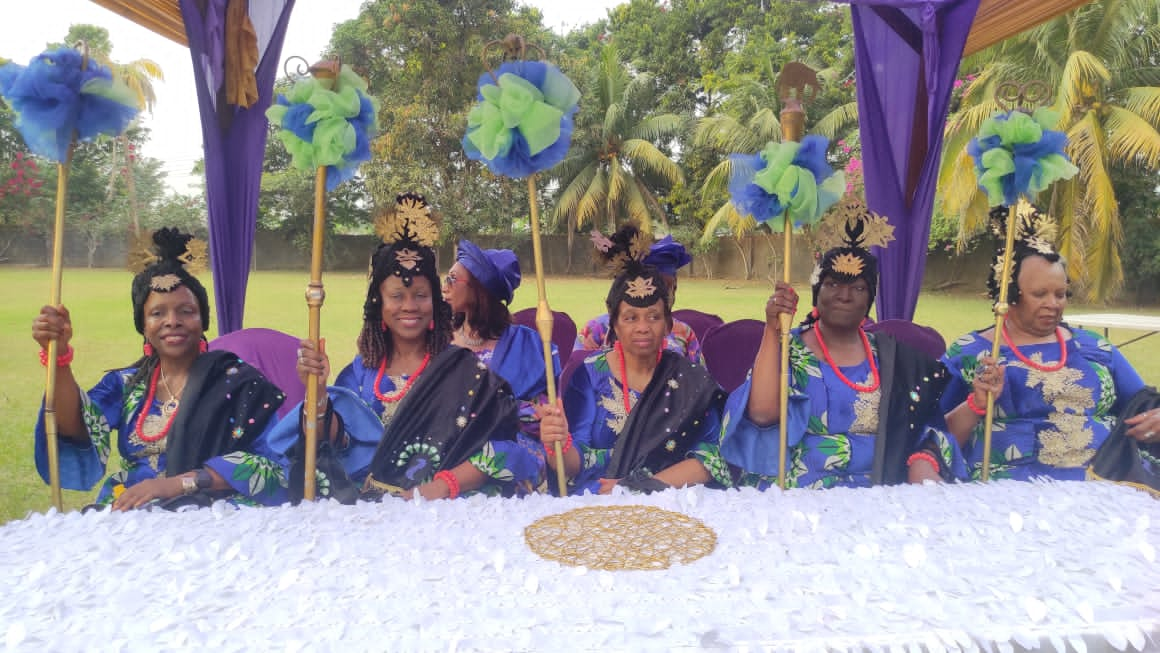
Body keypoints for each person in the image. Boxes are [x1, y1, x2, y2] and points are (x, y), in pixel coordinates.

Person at [272, 192, 535, 501]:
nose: (410, 306)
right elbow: (335, 446)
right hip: (369, 512)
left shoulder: (466, 372)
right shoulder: (360, 373)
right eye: (397, 296)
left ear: (436, 304)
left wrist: (436, 489)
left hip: (446, 509)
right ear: (378, 305)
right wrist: (316, 392)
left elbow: (507, 448)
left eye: (421, 295)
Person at [31, 228, 288, 510]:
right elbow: (76, 429)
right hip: (133, 509)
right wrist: (60, 356)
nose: (172, 321)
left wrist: (175, 485)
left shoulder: (240, 384)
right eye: (157, 313)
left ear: (203, 320)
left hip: (215, 513)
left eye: (186, 311)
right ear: (143, 325)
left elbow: (271, 466)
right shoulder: (126, 385)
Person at [718, 203, 959, 488]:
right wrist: (773, 329)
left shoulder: (893, 359)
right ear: (816, 293)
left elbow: (923, 428)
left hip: (878, 494)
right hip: (798, 492)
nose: (844, 295)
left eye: (858, 287)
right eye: (832, 284)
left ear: (869, 299)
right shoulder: (789, 348)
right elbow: (761, 414)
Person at [940, 203, 1159, 483]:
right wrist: (975, 404)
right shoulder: (972, 353)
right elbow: (933, 438)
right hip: (1003, 497)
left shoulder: (1096, 348)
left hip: (1101, 490)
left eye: (1060, 294)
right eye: (1040, 294)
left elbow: (1143, 405)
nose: (1053, 305)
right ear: (1008, 294)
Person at [539, 224, 728, 495]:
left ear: (667, 324)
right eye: (630, 318)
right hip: (599, 504)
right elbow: (573, 463)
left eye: (653, 317)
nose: (642, 327)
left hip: (671, 501)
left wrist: (639, 488)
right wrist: (557, 444)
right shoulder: (589, 375)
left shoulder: (691, 380)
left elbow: (711, 457)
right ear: (613, 324)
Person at [442, 238, 559, 494]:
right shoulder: (439, 340)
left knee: (502, 454)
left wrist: (487, 415)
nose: (444, 286)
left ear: (478, 289)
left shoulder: (529, 345)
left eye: (452, 279)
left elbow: (542, 415)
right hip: (447, 447)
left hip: (512, 449)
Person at [576, 234, 704, 364]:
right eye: (652, 287)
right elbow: (580, 373)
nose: (658, 294)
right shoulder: (597, 329)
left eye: (667, 287)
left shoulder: (684, 333)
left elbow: (699, 379)